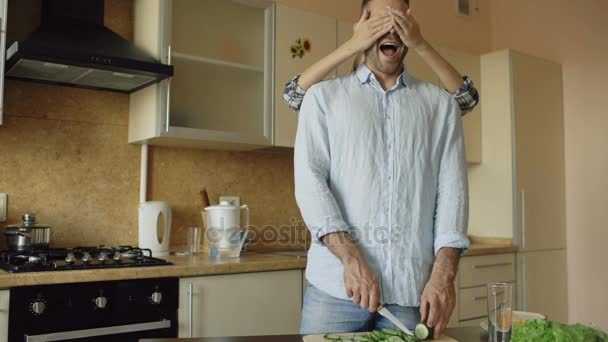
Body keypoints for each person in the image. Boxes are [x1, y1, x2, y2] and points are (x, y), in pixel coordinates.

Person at [294, 0, 469, 339]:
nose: (390, 28)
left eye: (399, 18)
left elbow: (453, 194)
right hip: (335, 288)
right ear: (361, 26)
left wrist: (444, 273)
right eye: (379, 19)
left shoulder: (440, 105)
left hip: (413, 292)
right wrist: (350, 258)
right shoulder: (322, 98)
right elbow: (310, 180)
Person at [283, 3, 479, 115]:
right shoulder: (334, 98)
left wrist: (419, 43)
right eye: (379, 23)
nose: (391, 30)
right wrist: (353, 44)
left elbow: (466, 100)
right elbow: (293, 97)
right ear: (361, 28)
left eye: (399, 22)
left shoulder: (427, 101)